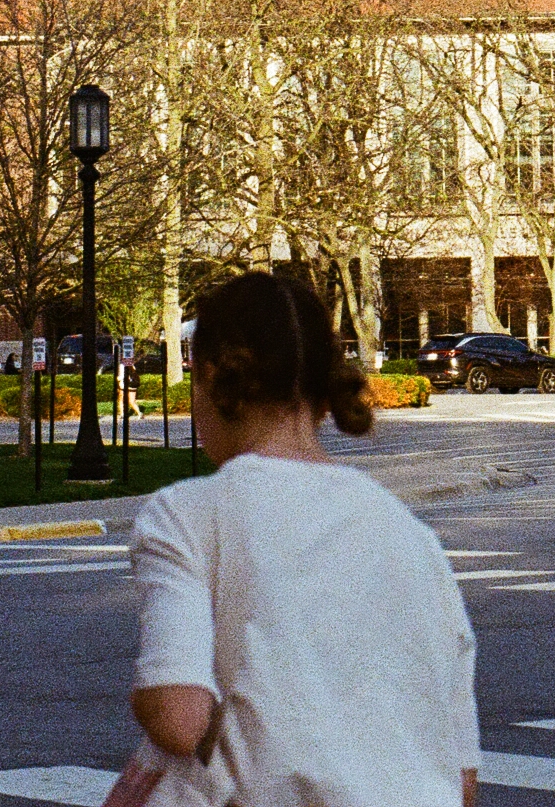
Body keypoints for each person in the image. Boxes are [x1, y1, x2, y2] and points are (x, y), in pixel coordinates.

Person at [115, 271, 478, 807]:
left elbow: (178, 717)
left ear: (213, 377)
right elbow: (461, 775)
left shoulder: (188, 516)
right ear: (322, 389)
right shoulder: (412, 538)